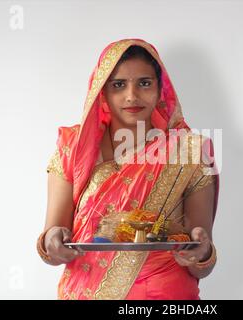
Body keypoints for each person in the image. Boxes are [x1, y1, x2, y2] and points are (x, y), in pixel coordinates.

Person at [37, 38, 220, 300]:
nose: (132, 95)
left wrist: (202, 252)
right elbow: (51, 235)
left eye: (144, 83)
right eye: (118, 85)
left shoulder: (189, 153)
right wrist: (53, 241)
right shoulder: (73, 148)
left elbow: (202, 262)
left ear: (160, 90)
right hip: (84, 292)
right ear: (102, 91)